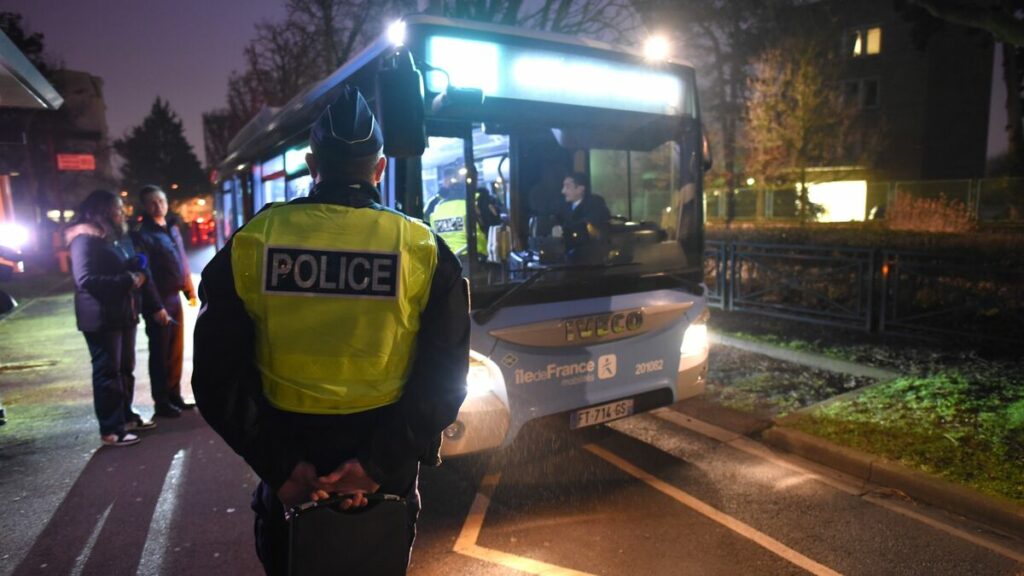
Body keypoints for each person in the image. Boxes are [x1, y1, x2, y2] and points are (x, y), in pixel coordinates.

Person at [192, 87, 469, 575]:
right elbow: (447, 377)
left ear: (310, 163)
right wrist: (376, 466)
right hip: (386, 468)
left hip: (290, 456)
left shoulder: (254, 243)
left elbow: (216, 380)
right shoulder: (422, 248)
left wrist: (282, 469)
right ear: (379, 169)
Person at [66, 190, 168, 447]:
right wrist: (129, 280)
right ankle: (111, 429)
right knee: (108, 372)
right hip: (102, 317)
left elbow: (119, 265)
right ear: (103, 211)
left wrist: (136, 265)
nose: (122, 213)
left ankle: (126, 416)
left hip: (123, 313)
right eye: (118, 209)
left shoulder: (110, 237)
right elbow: (86, 280)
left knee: (124, 370)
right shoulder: (84, 240)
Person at [132, 185, 197, 418]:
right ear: (146, 206)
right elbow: (144, 271)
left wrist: (189, 289)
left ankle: (175, 395)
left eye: (161, 200)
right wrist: (155, 305)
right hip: (158, 299)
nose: (158, 206)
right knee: (159, 353)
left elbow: (181, 260)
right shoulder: (141, 234)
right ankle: (162, 401)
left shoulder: (171, 228)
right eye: (152, 202)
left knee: (175, 351)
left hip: (174, 296)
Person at [426, 182, 497, 258]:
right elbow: (491, 224)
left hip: (445, 260)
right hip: (473, 257)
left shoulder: (437, 209)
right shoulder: (471, 205)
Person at [555, 172, 611, 264]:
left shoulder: (595, 204)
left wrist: (567, 231)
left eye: (567, 187)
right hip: (568, 258)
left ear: (580, 189)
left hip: (591, 258)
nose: (563, 191)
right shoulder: (563, 207)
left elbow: (587, 227)